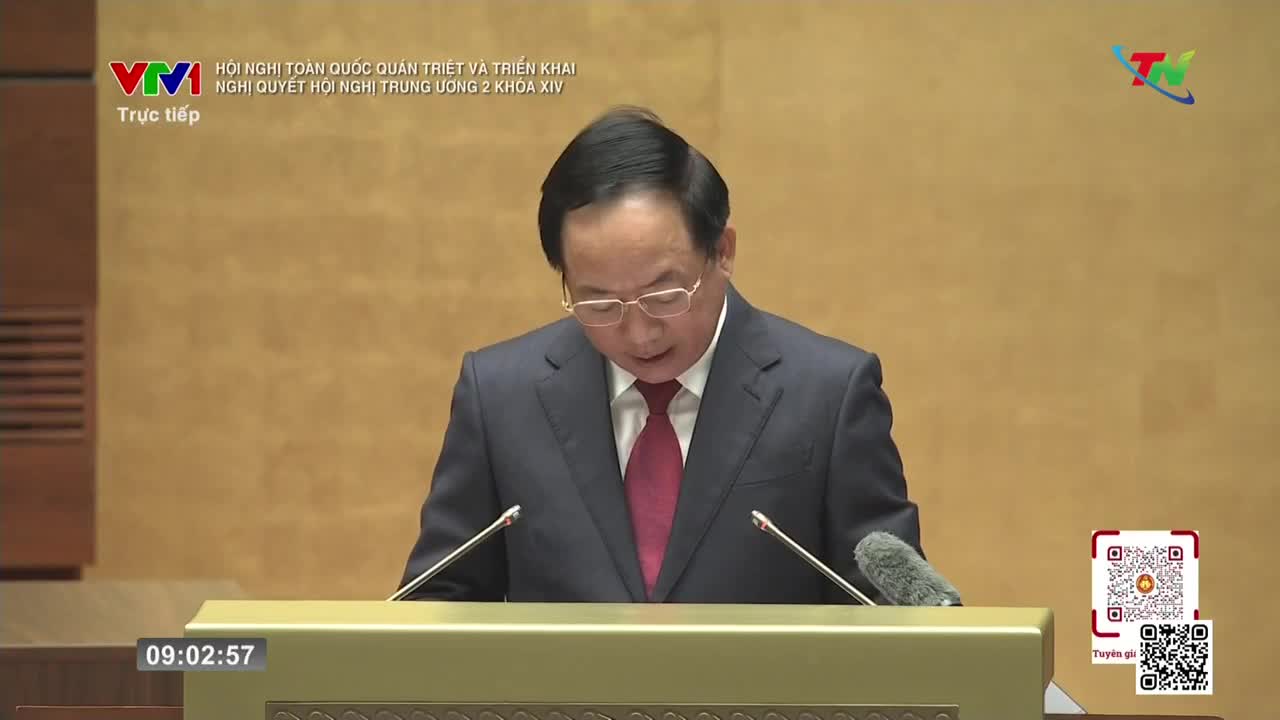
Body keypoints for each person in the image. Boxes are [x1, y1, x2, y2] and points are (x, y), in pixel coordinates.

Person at [397, 106, 925, 604]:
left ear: (723, 251)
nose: (640, 332)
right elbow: (438, 605)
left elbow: (887, 608)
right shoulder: (498, 398)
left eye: (663, 294)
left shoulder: (829, 394)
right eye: (599, 302)